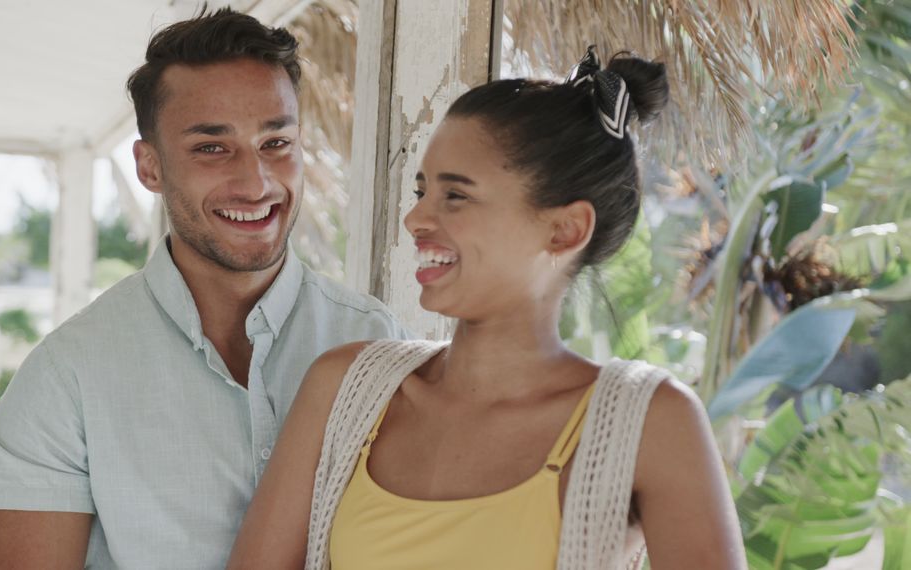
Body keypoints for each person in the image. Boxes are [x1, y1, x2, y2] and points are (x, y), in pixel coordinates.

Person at [228, 47, 747, 569]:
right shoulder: (345, 390)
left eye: (456, 197)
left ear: (565, 229)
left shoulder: (651, 422)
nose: (416, 219)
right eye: (422, 190)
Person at [0, 8, 407, 569]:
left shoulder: (380, 343)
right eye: (211, 148)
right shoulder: (66, 378)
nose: (256, 183)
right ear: (149, 167)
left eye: (276, 142)